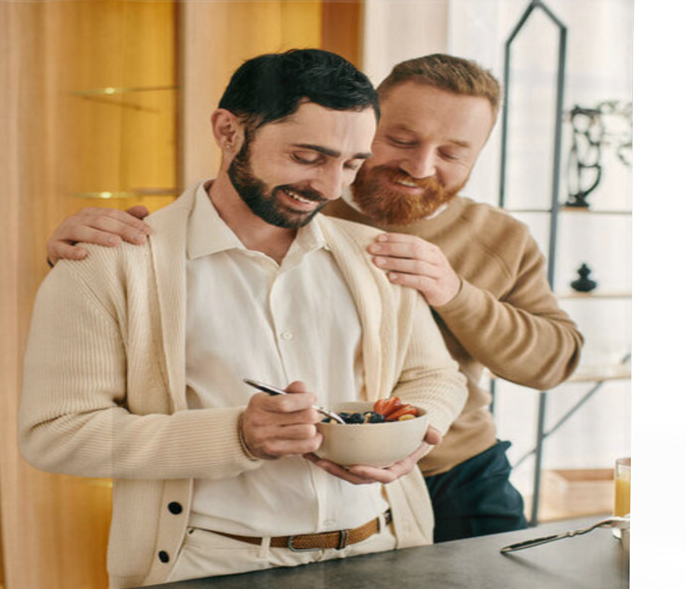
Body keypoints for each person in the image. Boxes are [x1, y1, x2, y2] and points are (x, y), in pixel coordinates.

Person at [45, 53, 583, 544]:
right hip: (269, 501)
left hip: (458, 468)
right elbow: (200, 240)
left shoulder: (501, 237)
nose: (421, 166)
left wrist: (455, 294)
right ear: (368, 124)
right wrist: (94, 259)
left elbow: (552, 361)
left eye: (452, 153)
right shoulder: (287, 204)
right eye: (401, 140)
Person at [19, 49, 467, 589]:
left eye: (350, 164)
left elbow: (437, 378)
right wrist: (235, 436)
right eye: (307, 156)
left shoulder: (379, 255)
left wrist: (415, 437)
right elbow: (56, 434)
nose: (329, 187)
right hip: (211, 575)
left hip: (388, 555)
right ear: (229, 130)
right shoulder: (106, 265)